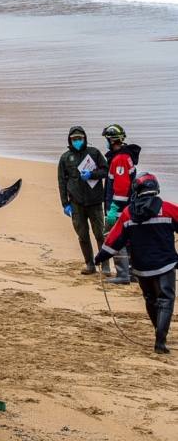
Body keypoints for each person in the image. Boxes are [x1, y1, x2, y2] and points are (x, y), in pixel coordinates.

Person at [95, 173, 178, 354]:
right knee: (166, 299)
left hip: (141, 267)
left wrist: (100, 258)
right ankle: (160, 342)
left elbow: (114, 240)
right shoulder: (168, 209)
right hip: (166, 265)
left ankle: (158, 332)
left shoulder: (127, 213)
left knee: (151, 299)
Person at [58, 126, 109, 275]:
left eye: (80, 138)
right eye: (74, 139)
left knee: (100, 234)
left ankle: (105, 265)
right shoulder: (65, 158)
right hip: (76, 203)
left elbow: (106, 170)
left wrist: (92, 175)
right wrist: (65, 204)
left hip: (95, 202)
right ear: (70, 140)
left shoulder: (94, 153)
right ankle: (90, 265)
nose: (77, 141)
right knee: (83, 235)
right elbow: (61, 182)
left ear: (85, 138)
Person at [102, 124, 141, 284]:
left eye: (106, 139)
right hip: (128, 207)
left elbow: (121, 188)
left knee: (117, 238)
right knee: (130, 239)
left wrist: (113, 209)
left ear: (112, 140)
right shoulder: (126, 156)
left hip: (120, 209)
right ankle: (133, 273)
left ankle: (123, 274)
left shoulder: (119, 160)